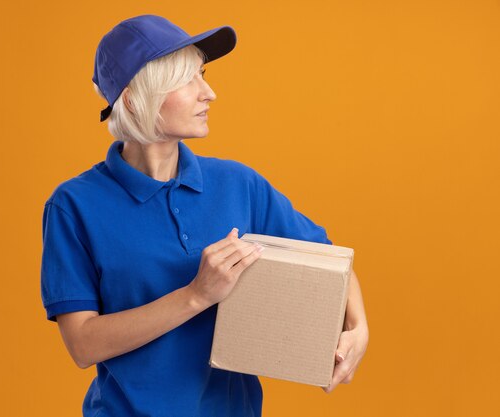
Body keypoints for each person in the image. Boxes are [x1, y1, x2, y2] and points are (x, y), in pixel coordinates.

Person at [41, 14, 369, 417]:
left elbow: (330, 259)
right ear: (133, 98)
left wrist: (359, 329)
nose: (209, 93)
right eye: (187, 80)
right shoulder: (74, 205)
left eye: (203, 74)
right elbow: (83, 344)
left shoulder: (238, 184)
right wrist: (196, 295)